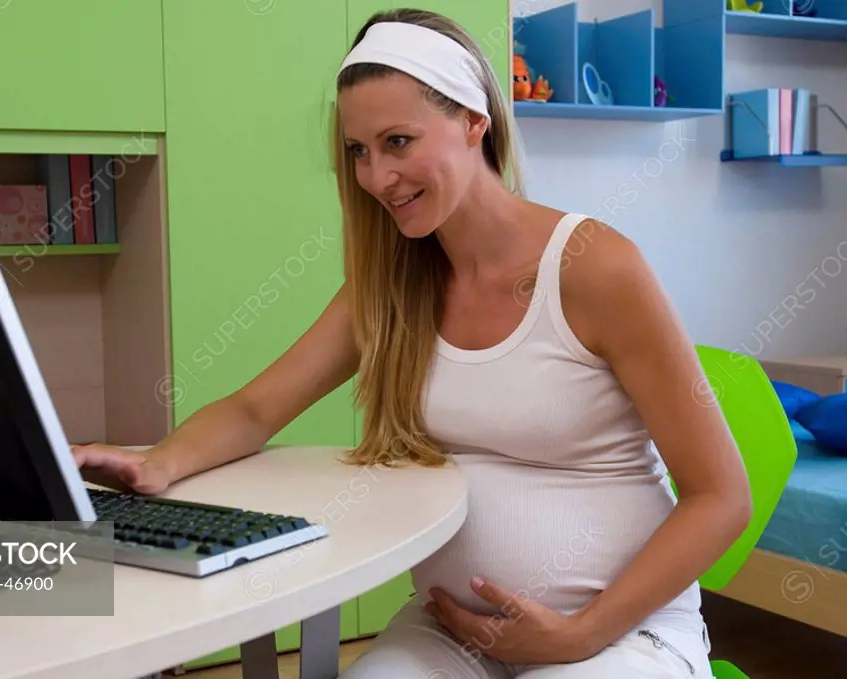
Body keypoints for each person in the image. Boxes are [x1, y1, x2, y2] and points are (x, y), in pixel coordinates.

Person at [72, 8, 752, 678]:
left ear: (473, 121)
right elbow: (256, 409)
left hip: (617, 634)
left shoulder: (596, 268)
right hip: (451, 630)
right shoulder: (392, 284)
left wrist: (579, 635)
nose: (375, 177)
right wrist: (158, 464)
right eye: (358, 151)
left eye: (398, 141)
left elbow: (722, 497)